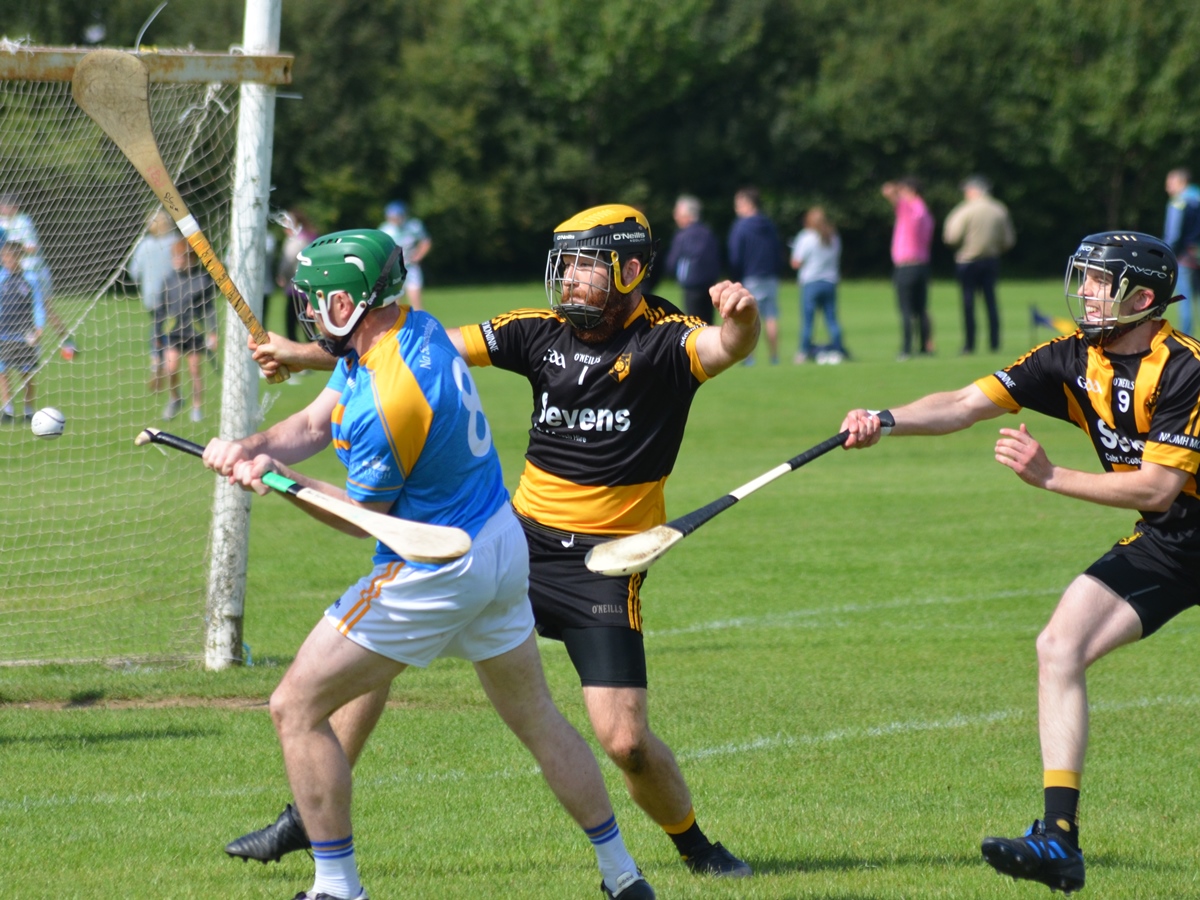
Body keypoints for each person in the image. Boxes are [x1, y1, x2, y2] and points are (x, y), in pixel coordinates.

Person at [234, 204, 758, 882]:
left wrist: (740, 321)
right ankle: (309, 817)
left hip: (603, 565)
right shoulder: (538, 333)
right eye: (563, 266)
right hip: (519, 540)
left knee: (624, 741)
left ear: (629, 271)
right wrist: (314, 355)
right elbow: (422, 348)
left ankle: (693, 845)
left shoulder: (668, 341)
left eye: (585, 269)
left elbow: (726, 347)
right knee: (373, 665)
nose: (568, 282)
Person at [839, 231, 1200, 895]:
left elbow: (1155, 485)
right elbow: (962, 403)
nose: (1085, 290)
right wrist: (882, 419)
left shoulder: (1184, 368)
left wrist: (1050, 476)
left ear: (1142, 297)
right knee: (1058, 645)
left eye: (1100, 281)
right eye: (1085, 277)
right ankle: (1059, 841)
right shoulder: (1068, 356)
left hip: (1169, 512)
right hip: (1176, 541)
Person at [943, 176, 1017, 355]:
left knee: (968, 303)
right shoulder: (999, 209)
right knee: (991, 302)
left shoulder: (964, 210)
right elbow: (1008, 240)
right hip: (991, 260)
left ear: (974, 190)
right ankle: (994, 343)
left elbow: (951, 236)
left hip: (967, 261)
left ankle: (969, 344)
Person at [0, 193, 72, 358]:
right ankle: (20, 344)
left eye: (4, 206)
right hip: (12, 274)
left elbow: (32, 248)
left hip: (32, 272)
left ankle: (68, 343)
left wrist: (13, 252)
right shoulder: (2, 224)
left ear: (13, 207)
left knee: (44, 308)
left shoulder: (23, 222)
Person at [160, 239, 218, 422]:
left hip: (194, 332)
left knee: (194, 371)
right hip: (174, 331)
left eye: (180, 257)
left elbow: (209, 309)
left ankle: (196, 407)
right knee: (170, 368)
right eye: (174, 257)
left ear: (191, 258)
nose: (176, 260)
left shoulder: (202, 280)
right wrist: (157, 333)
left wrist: (213, 332)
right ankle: (175, 398)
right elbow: (161, 309)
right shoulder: (168, 280)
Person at [727, 187, 783, 365]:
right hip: (770, 276)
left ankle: (749, 358)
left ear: (747, 204)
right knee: (771, 316)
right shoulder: (769, 225)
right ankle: (774, 357)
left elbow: (735, 255)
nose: (736, 209)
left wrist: (735, 277)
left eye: (738, 205)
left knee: (750, 317)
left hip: (750, 277)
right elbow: (778, 250)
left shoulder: (741, 226)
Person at [881, 178, 935, 360]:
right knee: (921, 308)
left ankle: (906, 348)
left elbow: (889, 193)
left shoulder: (909, 208)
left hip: (906, 265)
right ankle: (924, 347)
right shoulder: (925, 212)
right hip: (922, 265)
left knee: (905, 309)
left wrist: (894, 189)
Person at [128, 208, 178, 392]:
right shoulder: (175, 242)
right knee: (172, 329)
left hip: (151, 296)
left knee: (156, 328)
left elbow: (133, 272)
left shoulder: (145, 245)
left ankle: (156, 361)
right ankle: (168, 363)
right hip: (174, 294)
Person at [790, 206, 846, 364]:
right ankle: (838, 348)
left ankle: (803, 351)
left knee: (808, 320)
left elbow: (796, 262)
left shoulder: (806, 237)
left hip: (811, 282)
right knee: (832, 319)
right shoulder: (833, 236)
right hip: (830, 282)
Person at [0, 237, 45, 423]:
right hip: (4, 332)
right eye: (5, 257)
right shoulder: (1, 278)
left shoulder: (30, 278)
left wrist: (39, 328)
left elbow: (38, 305)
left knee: (26, 373)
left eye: (12, 257)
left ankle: (28, 410)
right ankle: (8, 410)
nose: (8, 261)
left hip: (24, 333)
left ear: (19, 257)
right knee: (3, 372)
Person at [662, 194, 722, 324]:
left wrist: (671, 272)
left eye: (677, 213)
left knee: (693, 325)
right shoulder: (708, 233)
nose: (675, 217)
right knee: (708, 324)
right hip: (710, 286)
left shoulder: (682, 235)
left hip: (691, 287)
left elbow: (672, 262)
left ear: (687, 215)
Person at [1162, 168, 1200, 334]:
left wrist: (1166, 254)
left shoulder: (1178, 202)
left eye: (1170, 183)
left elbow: (1173, 235)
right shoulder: (1197, 198)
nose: (1167, 188)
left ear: (1181, 182)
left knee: (1183, 299)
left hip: (1185, 258)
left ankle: (1187, 341)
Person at [274, 208, 317, 345]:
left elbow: (288, 261)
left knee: (294, 326)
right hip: (306, 289)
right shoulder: (310, 237)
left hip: (296, 290)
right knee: (308, 326)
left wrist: (282, 276)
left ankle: (306, 356)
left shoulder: (297, 241)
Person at [378, 200, 431, 311]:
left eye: (397, 216)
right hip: (394, 269)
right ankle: (399, 327)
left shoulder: (413, 226)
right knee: (395, 304)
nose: (395, 220)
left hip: (411, 267)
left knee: (416, 303)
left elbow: (425, 242)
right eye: (392, 217)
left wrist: (418, 256)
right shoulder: (385, 230)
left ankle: (419, 325)